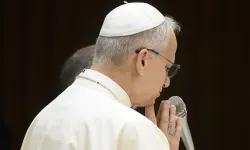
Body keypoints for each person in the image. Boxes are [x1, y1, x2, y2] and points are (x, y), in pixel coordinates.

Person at [21, 2, 183, 150]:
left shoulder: (44, 119)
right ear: (143, 60)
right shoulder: (134, 129)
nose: (166, 82)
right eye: (167, 68)